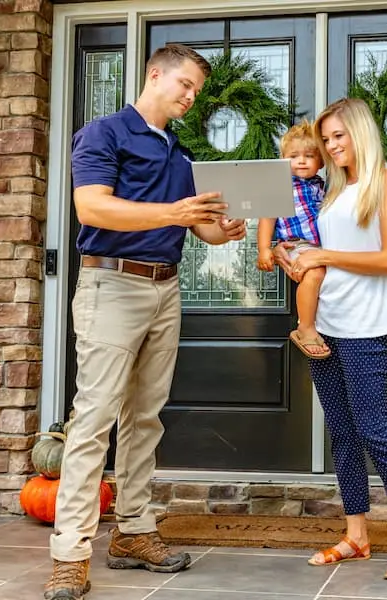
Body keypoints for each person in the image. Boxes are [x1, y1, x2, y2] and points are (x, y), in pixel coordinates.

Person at [44, 44, 247, 600]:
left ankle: (133, 530)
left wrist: (222, 230)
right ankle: (70, 555)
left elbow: (199, 228)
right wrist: (174, 213)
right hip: (111, 284)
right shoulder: (104, 133)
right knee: (94, 421)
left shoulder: (180, 153)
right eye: (185, 84)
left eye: (197, 90)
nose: (191, 96)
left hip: (165, 288)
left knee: (144, 419)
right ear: (155, 74)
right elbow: (92, 208)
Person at [274, 98, 387, 582]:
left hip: (367, 325)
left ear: (360, 132)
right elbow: (318, 254)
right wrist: (291, 255)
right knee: (342, 434)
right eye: (325, 140)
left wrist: (323, 254)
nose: (330, 146)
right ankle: (356, 536)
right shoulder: (330, 190)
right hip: (325, 323)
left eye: (338, 136)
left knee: (374, 432)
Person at [256, 119, 330, 359]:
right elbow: (267, 217)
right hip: (296, 244)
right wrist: (264, 249)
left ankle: (320, 324)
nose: (301, 161)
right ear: (283, 160)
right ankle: (305, 327)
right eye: (293, 156)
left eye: (309, 156)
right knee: (315, 273)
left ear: (321, 161)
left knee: (324, 279)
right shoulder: (281, 186)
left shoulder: (322, 186)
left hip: (320, 246)